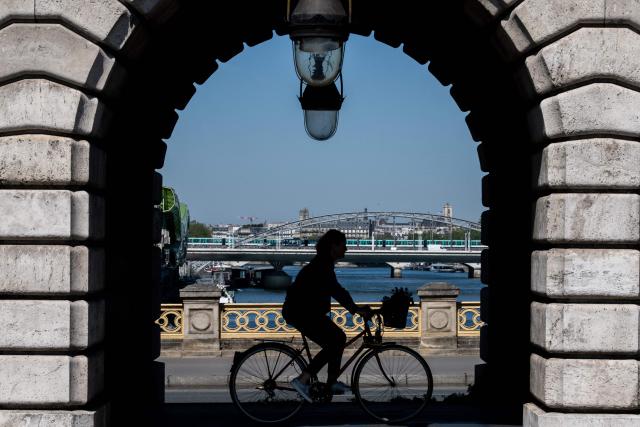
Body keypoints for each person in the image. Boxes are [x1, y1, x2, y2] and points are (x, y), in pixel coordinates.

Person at [282, 229, 370, 402]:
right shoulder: (322, 265)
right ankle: (303, 380)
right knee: (336, 340)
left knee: (336, 341)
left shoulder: (323, 263)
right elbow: (336, 290)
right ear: (333, 246)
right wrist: (355, 309)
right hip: (301, 312)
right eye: (343, 245)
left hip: (304, 310)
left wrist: (354, 307)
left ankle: (330, 382)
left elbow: (335, 289)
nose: (346, 249)